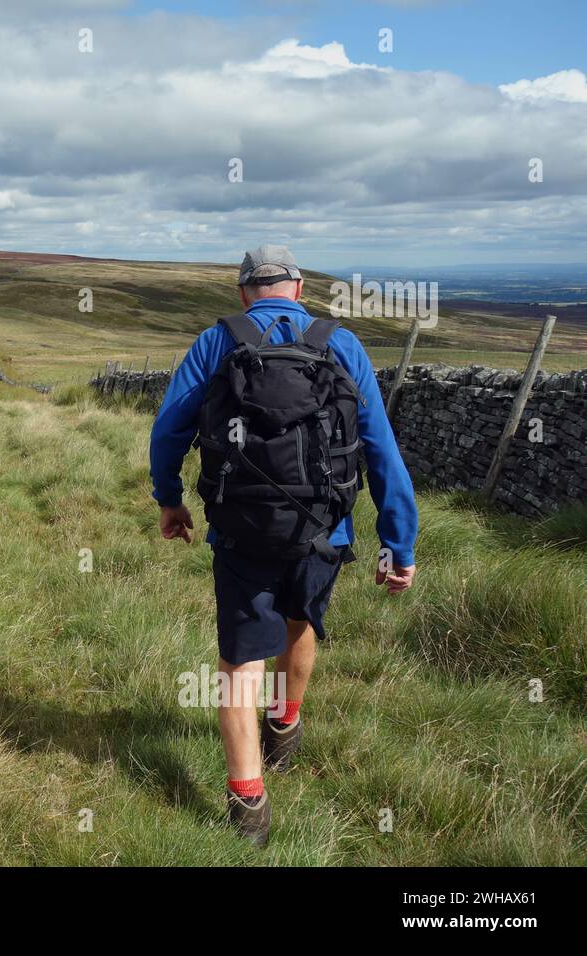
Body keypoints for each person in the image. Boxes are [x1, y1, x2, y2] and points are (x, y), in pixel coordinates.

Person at [149, 244, 418, 846]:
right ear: (297, 288)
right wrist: (399, 542)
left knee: (241, 659)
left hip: (241, 530)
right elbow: (381, 450)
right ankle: (285, 723)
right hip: (324, 531)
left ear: (244, 292)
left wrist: (170, 499)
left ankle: (248, 803)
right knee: (301, 624)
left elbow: (168, 428)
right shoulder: (341, 344)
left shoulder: (217, 340)